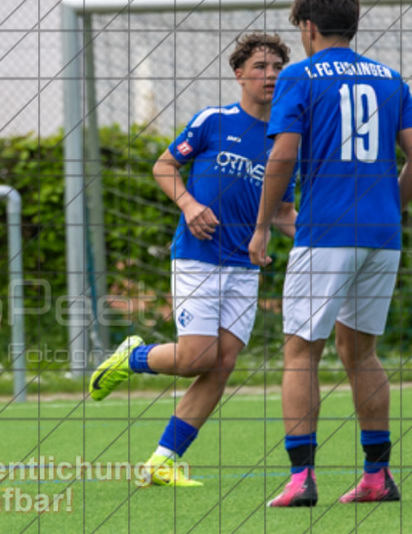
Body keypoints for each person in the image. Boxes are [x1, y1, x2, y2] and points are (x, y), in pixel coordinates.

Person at [88, 33, 297, 486]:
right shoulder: (212, 121)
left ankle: (162, 460)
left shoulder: (286, 142)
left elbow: (281, 212)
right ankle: (133, 358)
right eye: (261, 66)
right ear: (238, 73)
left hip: (244, 268)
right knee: (198, 356)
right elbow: (164, 166)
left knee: (221, 364)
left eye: (278, 67)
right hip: (198, 258)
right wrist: (188, 204)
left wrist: (319, 242)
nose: (271, 75)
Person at [249, 0, 412, 507]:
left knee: (301, 351)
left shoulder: (299, 75)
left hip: (326, 233)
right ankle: (376, 475)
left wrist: (262, 222)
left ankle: (301, 479)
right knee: (360, 352)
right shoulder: (391, 80)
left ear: (309, 28)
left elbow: (283, 155)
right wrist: (394, 203)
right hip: (382, 235)